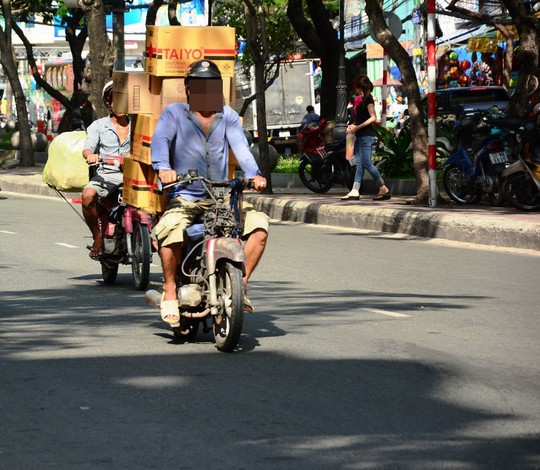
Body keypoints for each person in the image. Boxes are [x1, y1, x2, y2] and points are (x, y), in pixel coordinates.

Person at [151, 59, 269, 327]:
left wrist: (254, 175)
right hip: (186, 196)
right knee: (169, 229)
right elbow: (161, 142)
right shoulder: (174, 114)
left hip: (222, 197)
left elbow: (240, 148)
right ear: (189, 88)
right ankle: (170, 289)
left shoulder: (227, 115)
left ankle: (240, 285)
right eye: (199, 85)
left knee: (259, 227)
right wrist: (164, 169)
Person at [81, 81, 131, 259]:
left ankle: (149, 235)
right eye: (113, 99)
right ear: (108, 103)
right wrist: (90, 155)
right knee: (87, 196)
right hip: (106, 176)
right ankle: (98, 237)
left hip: (135, 176)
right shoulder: (98, 126)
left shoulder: (140, 124)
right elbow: (88, 148)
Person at [341, 75, 391, 201]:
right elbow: (362, 119)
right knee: (359, 164)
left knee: (367, 163)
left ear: (360, 87)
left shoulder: (368, 99)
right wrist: (353, 126)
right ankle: (355, 190)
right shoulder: (363, 99)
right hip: (359, 135)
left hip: (366, 136)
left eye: (356, 88)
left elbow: (373, 117)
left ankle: (383, 187)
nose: (356, 91)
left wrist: (357, 128)